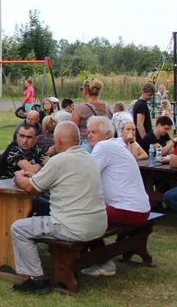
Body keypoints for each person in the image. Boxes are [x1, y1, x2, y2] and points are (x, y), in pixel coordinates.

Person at [9, 122, 108, 294]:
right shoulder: (88, 157)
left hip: (71, 227)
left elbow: (30, 187)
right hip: (98, 224)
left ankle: (36, 279)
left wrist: (18, 176)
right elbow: (54, 179)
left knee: (18, 228)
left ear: (59, 141)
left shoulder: (60, 160)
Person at [82, 116, 151, 276]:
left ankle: (101, 261)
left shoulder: (104, 146)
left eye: (94, 132)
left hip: (128, 210)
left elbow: (87, 175)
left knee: (83, 214)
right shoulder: (116, 145)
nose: (89, 135)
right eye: (89, 131)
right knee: (89, 211)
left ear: (107, 134)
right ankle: (88, 256)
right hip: (140, 208)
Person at [72, 78, 112, 152]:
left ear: (85, 91)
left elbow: (73, 131)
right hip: (106, 143)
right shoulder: (107, 106)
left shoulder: (79, 109)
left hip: (87, 144)